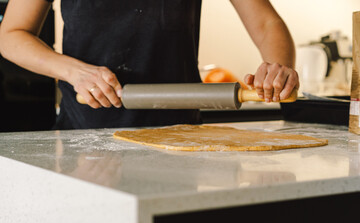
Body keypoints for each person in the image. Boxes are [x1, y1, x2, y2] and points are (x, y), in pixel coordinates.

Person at [0, 0, 299, 129]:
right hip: (86, 135)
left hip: (181, 138)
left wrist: (277, 68)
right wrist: (73, 71)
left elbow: (266, 22)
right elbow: (11, 35)